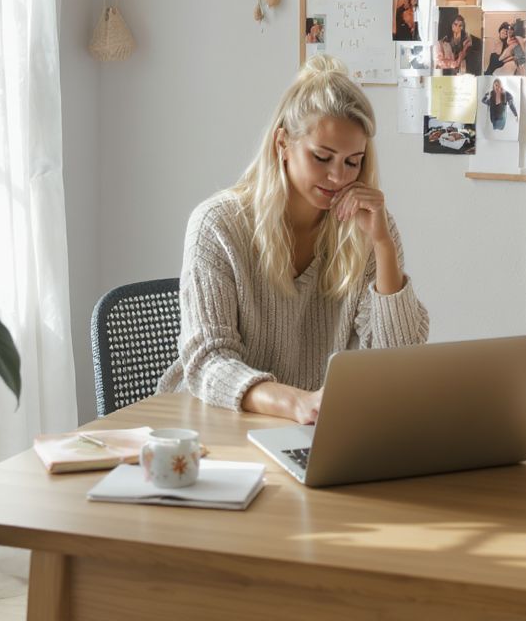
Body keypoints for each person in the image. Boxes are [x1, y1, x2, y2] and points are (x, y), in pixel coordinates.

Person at [157, 56, 429, 422]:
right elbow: (208, 361)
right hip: (215, 427)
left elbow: (400, 361)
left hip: (311, 429)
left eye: (353, 162)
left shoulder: (367, 228)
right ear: (283, 144)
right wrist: (296, 403)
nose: (338, 177)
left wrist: (383, 247)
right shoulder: (218, 225)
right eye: (322, 157)